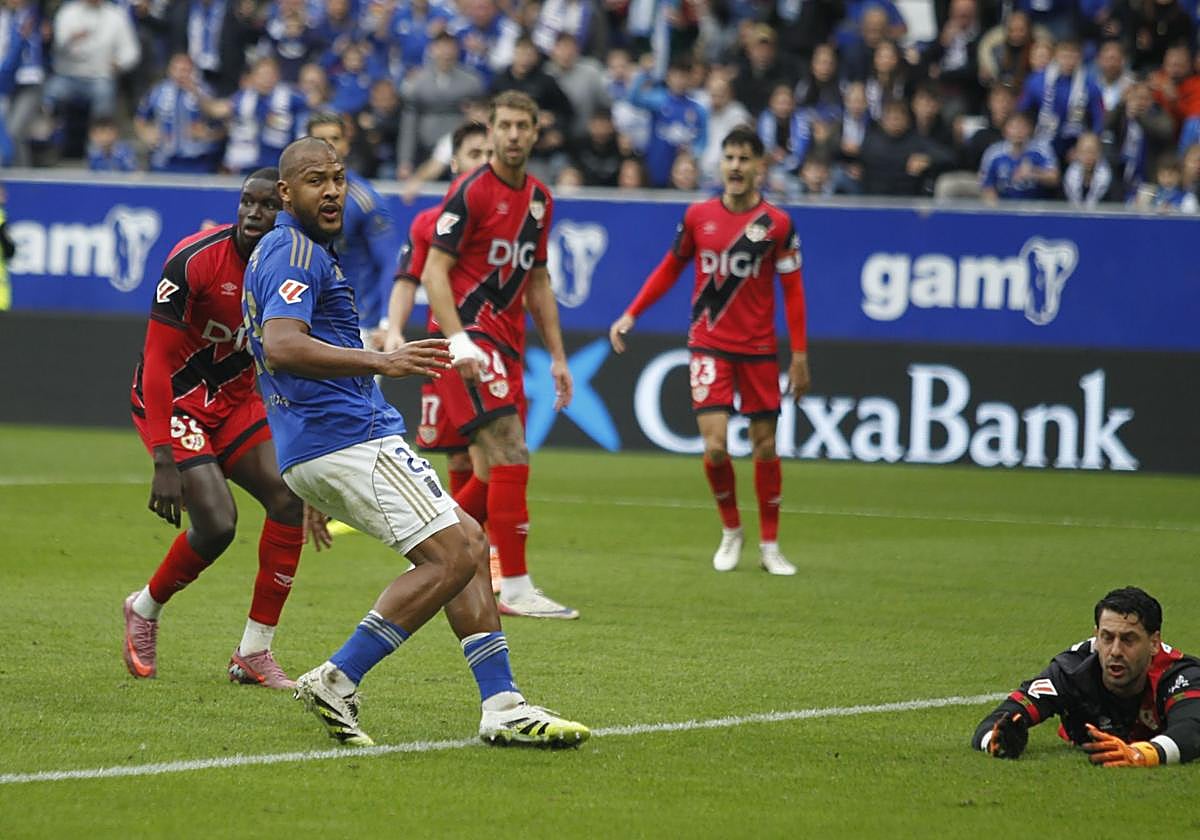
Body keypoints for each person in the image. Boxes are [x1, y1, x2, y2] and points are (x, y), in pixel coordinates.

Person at [241, 135, 589, 747]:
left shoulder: (299, 251)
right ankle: (338, 677)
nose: (331, 191)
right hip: (347, 438)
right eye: (315, 180)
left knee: (468, 547)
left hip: (322, 443)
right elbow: (282, 344)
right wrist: (386, 362)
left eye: (339, 178)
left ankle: (503, 704)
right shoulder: (293, 250)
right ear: (285, 193)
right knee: (455, 553)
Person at [124, 169, 305, 689]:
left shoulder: (296, 271)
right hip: (176, 402)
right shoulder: (195, 259)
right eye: (246, 202)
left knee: (290, 498)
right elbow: (156, 359)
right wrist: (162, 454)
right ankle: (144, 607)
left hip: (234, 402)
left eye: (267, 205)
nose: (252, 213)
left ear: (286, 212)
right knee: (219, 525)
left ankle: (254, 652)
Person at [608, 125, 809, 576]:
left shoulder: (777, 224)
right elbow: (669, 267)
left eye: (744, 159)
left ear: (760, 167)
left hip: (758, 348)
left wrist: (799, 355)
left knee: (765, 445)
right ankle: (732, 529)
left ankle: (771, 544)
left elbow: (794, 292)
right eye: (729, 158)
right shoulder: (699, 216)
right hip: (709, 345)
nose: (736, 167)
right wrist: (632, 313)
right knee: (715, 447)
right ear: (721, 164)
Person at [419, 90, 580, 619]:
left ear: (536, 132)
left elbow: (538, 280)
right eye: (504, 126)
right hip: (468, 338)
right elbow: (433, 271)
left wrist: (557, 356)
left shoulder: (539, 200)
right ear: (491, 132)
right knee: (511, 451)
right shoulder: (471, 193)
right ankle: (514, 584)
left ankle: (424, 551)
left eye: (522, 126)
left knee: (491, 471)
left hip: (508, 345)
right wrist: (459, 339)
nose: (513, 135)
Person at [973, 587, 1200, 767]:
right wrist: (996, 741)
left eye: (1128, 639)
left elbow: (1191, 731)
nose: (1115, 651)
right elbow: (996, 720)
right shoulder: (1073, 670)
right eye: (1107, 637)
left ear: (1153, 643)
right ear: (1096, 636)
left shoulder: (1179, 675)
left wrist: (1142, 754)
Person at [305, 111, 397, 347]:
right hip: (303, 321)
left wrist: (388, 322)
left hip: (356, 327)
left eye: (335, 139)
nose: (329, 147)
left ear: (346, 144)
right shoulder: (288, 198)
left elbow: (388, 263)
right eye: (320, 140)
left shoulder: (366, 200)